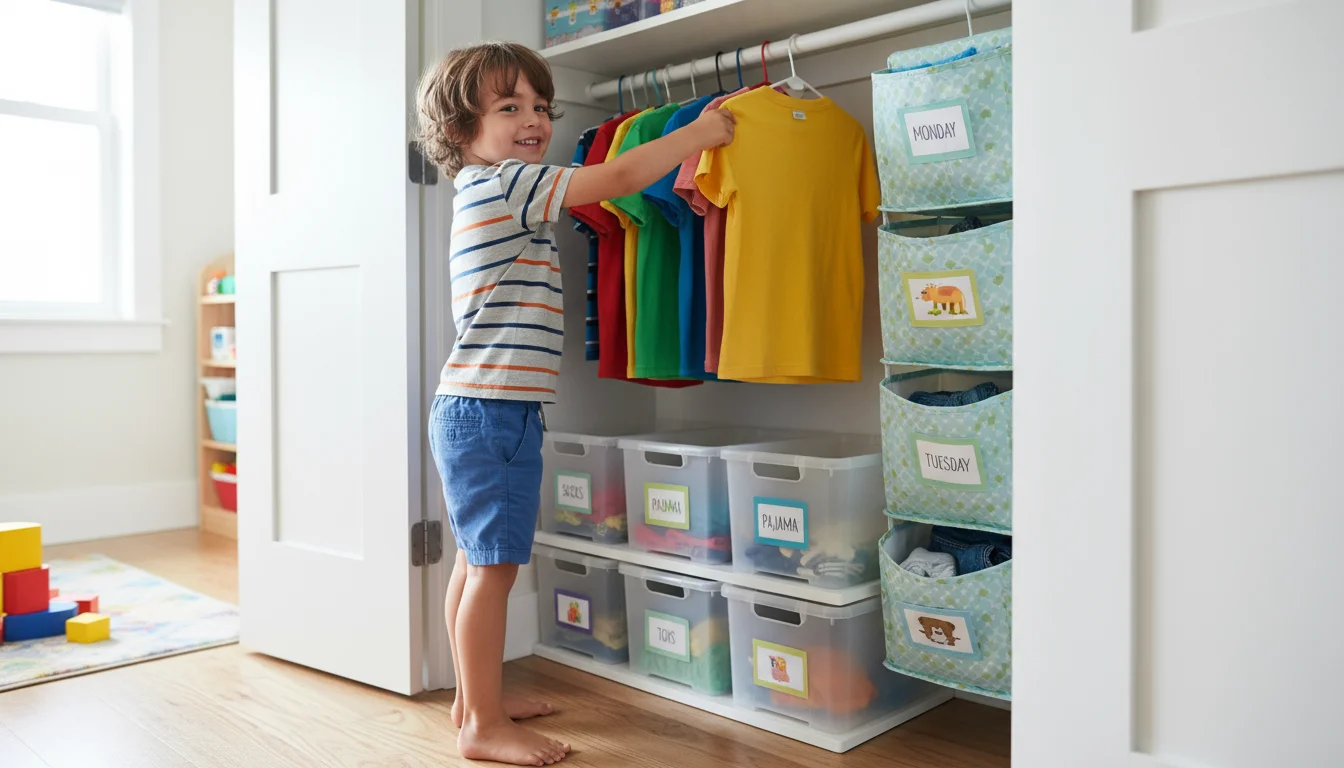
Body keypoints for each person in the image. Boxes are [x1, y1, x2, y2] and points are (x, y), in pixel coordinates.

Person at [414, 41, 734, 767]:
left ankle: (474, 698)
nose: (533, 120)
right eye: (508, 107)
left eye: (539, 107)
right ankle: (482, 726)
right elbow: (617, 175)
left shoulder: (486, 187)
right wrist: (696, 135)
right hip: (488, 410)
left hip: (489, 409)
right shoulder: (506, 182)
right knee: (492, 567)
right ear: (461, 131)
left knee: (474, 563)